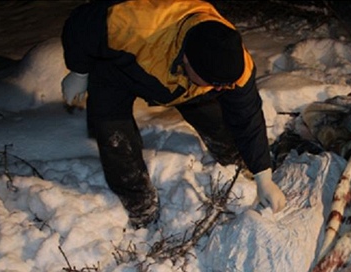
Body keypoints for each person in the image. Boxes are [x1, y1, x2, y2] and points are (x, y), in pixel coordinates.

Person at [60, 0, 286, 229]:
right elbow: (80, 24)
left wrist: (262, 173)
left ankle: (236, 160)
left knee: (214, 117)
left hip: (184, 82)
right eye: (215, 83)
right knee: (115, 138)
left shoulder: (232, 63)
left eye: (224, 84)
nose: (220, 88)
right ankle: (140, 204)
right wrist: (78, 70)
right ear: (187, 60)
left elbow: (247, 116)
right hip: (119, 72)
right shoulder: (134, 25)